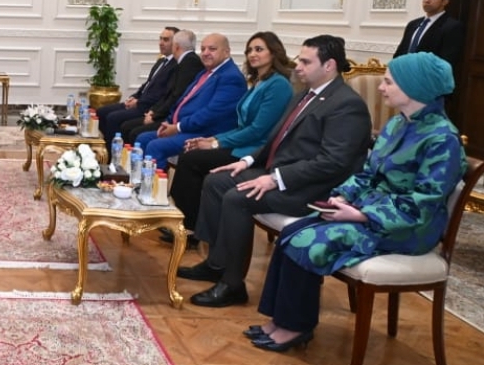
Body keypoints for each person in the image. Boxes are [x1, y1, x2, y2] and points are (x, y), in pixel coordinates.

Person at [248, 52, 465, 352]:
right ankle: (281, 320)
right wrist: (342, 197)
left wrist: (361, 215)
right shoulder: (396, 125)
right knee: (290, 232)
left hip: (407, 228)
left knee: (307, 242)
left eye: (388, 82)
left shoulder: (442, 139)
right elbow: (367, 173)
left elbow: (422, 204)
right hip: (369, 211)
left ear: (414, 88)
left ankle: (295, 327)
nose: (381, 88)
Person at [179, 34, 371, 308]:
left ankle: (232, 285)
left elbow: (333, 162)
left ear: (329, 65)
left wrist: (275, 179)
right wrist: (247, 161)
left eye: (306, 62)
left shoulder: (346, 105)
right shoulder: (305, 94)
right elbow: (275, 138)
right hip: (282, 174)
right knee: (217, 181)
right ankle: (216, 263)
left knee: (237, 198)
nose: (298, 66)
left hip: (313, 189)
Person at [167, 32, 295, 247]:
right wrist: (211, 139)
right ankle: (187, 222)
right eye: (250, 50)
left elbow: (257, 130)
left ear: (274, 53)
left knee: (192, 159)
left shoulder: (278, 85)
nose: (252, 54)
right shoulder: (260, 82)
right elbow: (241, 126)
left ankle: (188, 227)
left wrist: (215, 143)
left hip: (256, 151)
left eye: (259, 49)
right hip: (243, 143)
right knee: (193, 153)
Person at [128, 33, 247, 169]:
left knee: (156, 146)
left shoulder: (231, 77)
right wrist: (169, 122)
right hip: (187, 127)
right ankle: (138, 179)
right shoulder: (206, 72)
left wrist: (178, 127)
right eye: (203, 49)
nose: (205, 53)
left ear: (227, 52)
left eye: (212, 49)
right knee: (142, 138)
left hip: (206, 133)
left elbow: (211, 114)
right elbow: (182, 101)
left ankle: (155, 182)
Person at [97, 27, 179, 146]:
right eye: (160, 39)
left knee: (113, 118)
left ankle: (113, 153)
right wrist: (134, 97)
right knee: (101, 111)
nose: (161, 43)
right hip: (140, 102)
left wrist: (139, 102)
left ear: (175, 43)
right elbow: (147, 85)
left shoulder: (176, 66)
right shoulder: (161, 61)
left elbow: (162, 94)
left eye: (165, 40)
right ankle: (104, 149)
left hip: (148, 108)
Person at [122, 29, 204, 144]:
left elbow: (176, 96)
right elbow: (168, 93)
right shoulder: (185, 61)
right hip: (164, 112)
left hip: (173, 118)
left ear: (176, 46)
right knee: (128, 127)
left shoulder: (189, 62)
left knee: (133, 131)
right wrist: (153, 111)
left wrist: (155, 115)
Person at [393, 0, 465, 71]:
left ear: (444, 2)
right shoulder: (413, 24)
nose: (427, 0)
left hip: (428, 76)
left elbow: (447, 60)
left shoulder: (452, 26)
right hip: (403, 73)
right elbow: (400, 52)